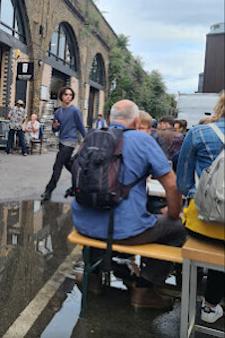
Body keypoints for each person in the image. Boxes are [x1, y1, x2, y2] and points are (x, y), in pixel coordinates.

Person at [72, 99, 186, 309]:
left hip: (83, 224)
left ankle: (92, 277)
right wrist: (172, 213)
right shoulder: (143, 140)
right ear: (136, 122)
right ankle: (144, 289)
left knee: (101, 216)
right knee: (178, 229)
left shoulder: (91, 137)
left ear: (109, 119)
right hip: (125, 231)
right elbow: (172, 186)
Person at [177, 91, 225, 324]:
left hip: (201, 225)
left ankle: (199, 301)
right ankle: (211, 304)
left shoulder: (199, 133)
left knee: (207, 242)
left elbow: (183, 184)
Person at [41, 86, 86, 201]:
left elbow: (81, 127)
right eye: (66, 94)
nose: (68, 97)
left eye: (70, 95)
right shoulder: (58, 112)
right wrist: (54, 126)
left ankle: (48, 190)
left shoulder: (75, 111)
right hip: (61, 141)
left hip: (70, 142)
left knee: (58, 165)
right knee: (68, 164)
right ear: (61, 96)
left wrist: (88, 139)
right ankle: (84, 180)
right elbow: (55, 129)